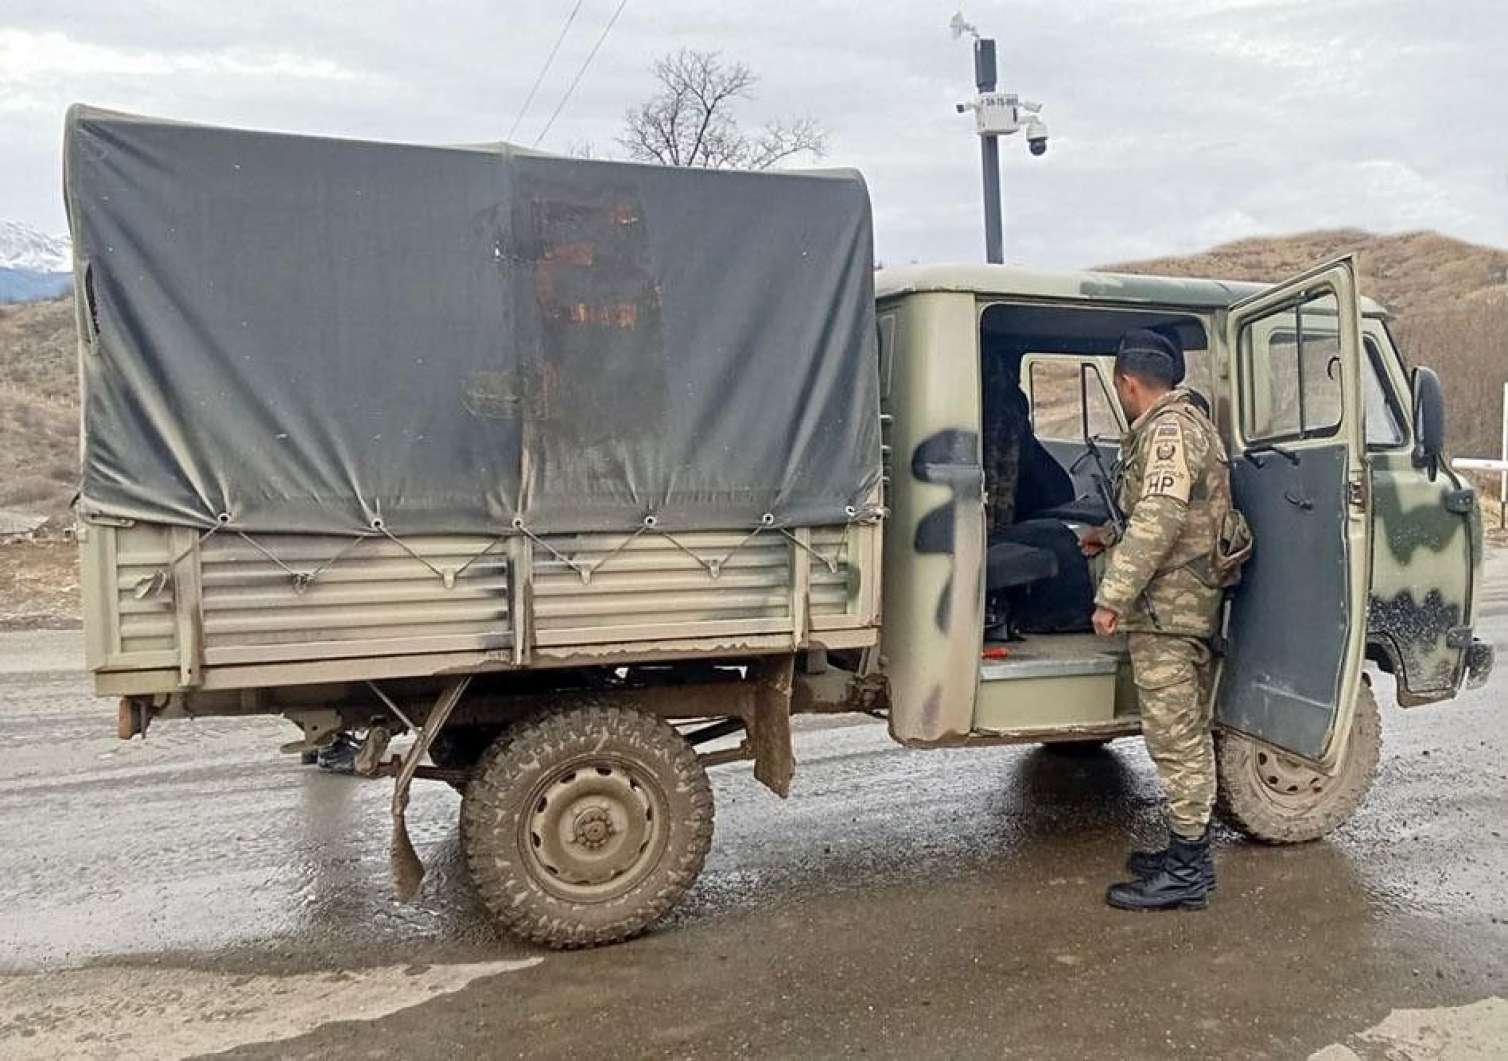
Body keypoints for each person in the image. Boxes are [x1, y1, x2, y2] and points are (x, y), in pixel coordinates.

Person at [1080, 328, 1239, 911]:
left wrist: (1112, 596)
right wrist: (1105, 537)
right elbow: (1172, 514)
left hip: (1171, 611)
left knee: (1177, 739)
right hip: (1177, 603)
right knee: (1181, 733)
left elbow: (1164, 515)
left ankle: (1189, 872)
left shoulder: (1168, 429)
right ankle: (1182, 852)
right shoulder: (1181, 424)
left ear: (1127, 383)